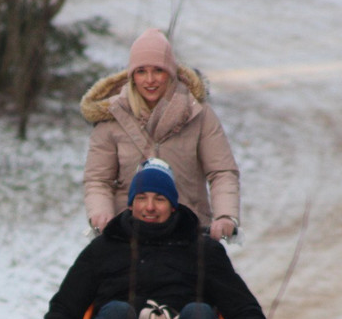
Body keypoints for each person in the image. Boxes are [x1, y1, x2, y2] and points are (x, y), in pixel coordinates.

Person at [44, 160, 265, 319]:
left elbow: (248, 315)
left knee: (198, 314)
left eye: (159, 199)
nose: (149, 207)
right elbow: (62, 312)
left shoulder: (203, 252)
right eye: (141, 198)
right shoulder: (104, 250)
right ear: (130, 204)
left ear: (173, 206)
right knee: (116, 312)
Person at [81, 28, 241, 241]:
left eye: (158, 70)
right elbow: (98, 179)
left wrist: (225, 216)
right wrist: (101, 214)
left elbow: (222, 172)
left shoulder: (199, 115)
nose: (149, 80)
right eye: (141, 71)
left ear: (171, 73)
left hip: (189, 233)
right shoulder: (112, 118)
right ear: (131, 76)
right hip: (129, 236)